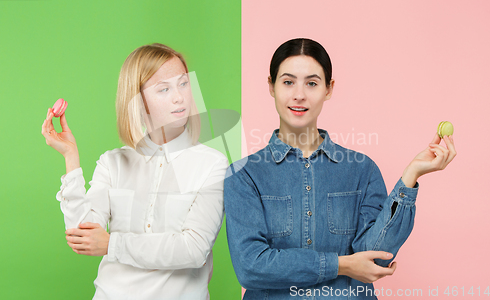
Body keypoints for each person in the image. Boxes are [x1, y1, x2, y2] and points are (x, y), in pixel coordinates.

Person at [223, 38, 456, 299]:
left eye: (312, 83)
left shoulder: (362, 170)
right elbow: (251, 267)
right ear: (271, 86)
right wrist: (342, 265)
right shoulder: (244, 176)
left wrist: (410, 177)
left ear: (329, 89)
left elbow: (376, 260)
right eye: (288, 82)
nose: (299, 94)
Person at [42, 43, 228, 300]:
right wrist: (70, 157)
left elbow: (193, 249)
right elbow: (83, 235)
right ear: (138, 101)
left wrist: (112, 244)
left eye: (184, 84)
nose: (179, 97)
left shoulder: (212, 164)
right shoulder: (112, 162)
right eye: (164, 89)